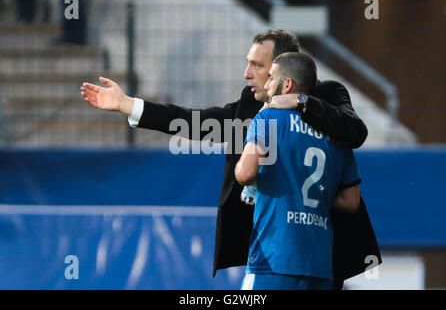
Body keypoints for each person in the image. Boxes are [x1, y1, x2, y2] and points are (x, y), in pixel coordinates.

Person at [81, 29, 381, 289]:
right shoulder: (252, 105)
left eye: (256, 65)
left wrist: (301, 102)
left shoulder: (322, 97)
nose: (247, 73)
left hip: (307, 256)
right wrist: (128, 105)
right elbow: (195, 121)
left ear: (281, 71)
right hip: (300, 255)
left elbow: (356, 131)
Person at [234, 52, 361, 290]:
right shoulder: (338, 135)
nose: (268, 83)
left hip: (274, 259)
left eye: (271, 77)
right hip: (320, 267)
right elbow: (351, 201)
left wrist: (245, 170)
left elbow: (246, 174)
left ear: (287, 84)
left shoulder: (268, 117)